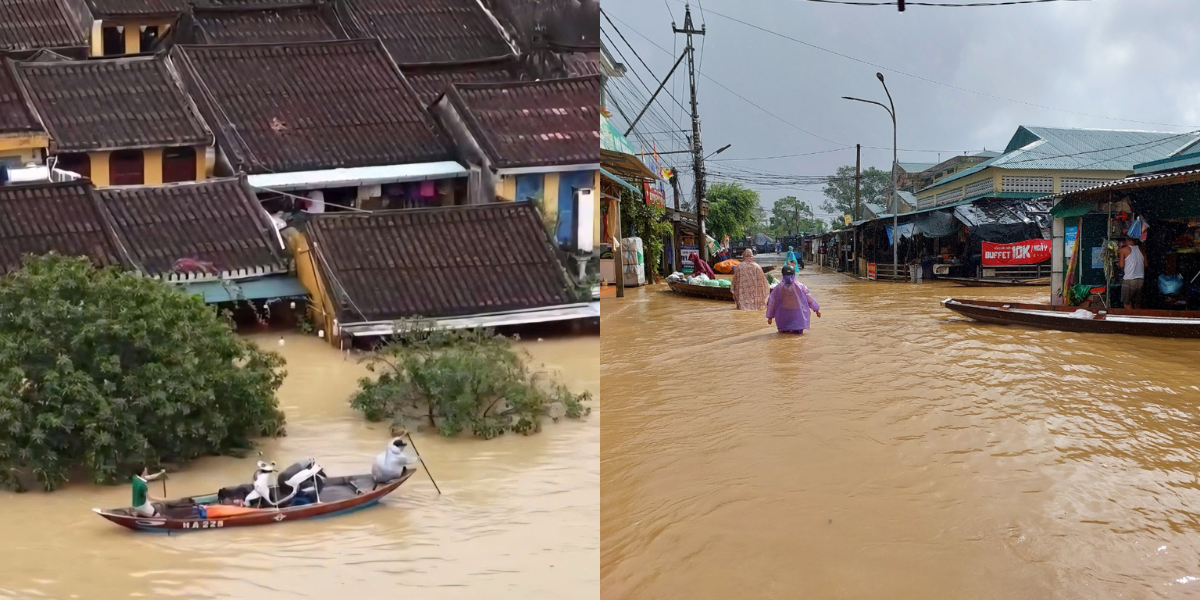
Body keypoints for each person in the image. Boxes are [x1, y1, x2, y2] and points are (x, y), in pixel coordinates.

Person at [766, 265, 821, 334]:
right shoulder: (801, 286)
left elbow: (772, 302)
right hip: (798, 312)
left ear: (783, 274)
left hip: (783, 313)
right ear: (794, 274)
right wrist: (816, 310)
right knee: (798, 334)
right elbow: (809, 299)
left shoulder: (778, 287)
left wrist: (770, 317)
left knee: (784, 334)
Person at [1119, 236, 1146, 309]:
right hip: (1140, 280)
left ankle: (1130, 318)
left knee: (1127, 303)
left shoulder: (1123, 250)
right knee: (1137, 303)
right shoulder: (1142, 250)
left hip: (1129, 279)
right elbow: (1146, 264)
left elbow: (1121, 265)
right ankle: (1137, 318)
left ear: (1127, 240)